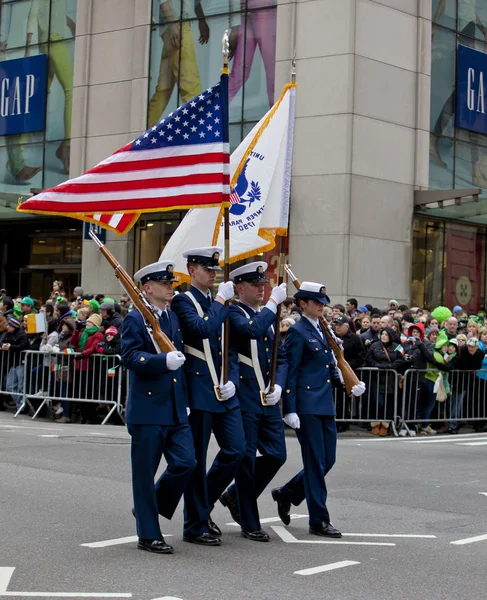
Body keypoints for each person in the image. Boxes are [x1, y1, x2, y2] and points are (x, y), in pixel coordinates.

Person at [271, 282, 365, 537]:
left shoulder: (322, 330)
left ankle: (287, 493)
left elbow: (327, 368)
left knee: (327, 460)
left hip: (324, 404)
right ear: (303, 304)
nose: (322, 306)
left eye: (324, 302)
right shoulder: (298, 332)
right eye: (317, 302)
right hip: (306, 405)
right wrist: (289, 408)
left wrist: (347, 384)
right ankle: (318, 520)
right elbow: (292, 371)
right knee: (315, 464)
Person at [170, 247, 245, 547]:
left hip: (223, 391)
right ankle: (194, 523)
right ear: (192, 270)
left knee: (236, 450)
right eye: (207, 269)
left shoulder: (221, 303)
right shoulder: (182, 301)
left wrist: (234, 381)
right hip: (199, 391)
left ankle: (206, 504)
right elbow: (202, 329)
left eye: (215, 270)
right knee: (197, 461)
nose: (213, 274)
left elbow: (231, 348)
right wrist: (219, 301)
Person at [122, 260, 196, 555]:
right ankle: (148, 534)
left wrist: (185, 400)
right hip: (148, 408)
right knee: (144, 473)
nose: (170, 288)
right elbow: (129, 356)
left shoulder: (171, 319)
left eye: (171, 284)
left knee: (186, 462)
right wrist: (160, 362)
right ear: (147, 288)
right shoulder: (134, 319)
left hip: (175, 407)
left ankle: (148, 505)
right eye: (165, 284)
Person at [219, 262, 287, 542]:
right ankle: (249, 521)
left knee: (276, 454)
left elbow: (280, 357)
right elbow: (251, 331)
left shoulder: (267, 316)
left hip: (267, 398)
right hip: (246, 397)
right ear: (240, 288)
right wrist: (273, 303)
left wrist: (280, 385)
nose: (262, 288)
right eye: (256, 285)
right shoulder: (234, 313)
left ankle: (234, 495)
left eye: (264, 284)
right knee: (245, 460)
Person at [147, 0, 209, 127]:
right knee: (190, 84)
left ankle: (142, 130)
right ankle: (195, 129)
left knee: (163, 89)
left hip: (176, 24)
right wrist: (172, 23)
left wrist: (202, 20)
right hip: (178, 24)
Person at [366, 328, 405, 435]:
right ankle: (375, 422)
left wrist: (390, 366)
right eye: (382, 334)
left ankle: (385, 425)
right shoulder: (374, 345)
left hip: (390, 380)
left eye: (386, 335)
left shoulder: (398, 347)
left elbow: (401, 360)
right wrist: (376, 365)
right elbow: (368, 358)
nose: (383, 336)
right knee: (378, 402)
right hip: (377, 379)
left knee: (388, 404)